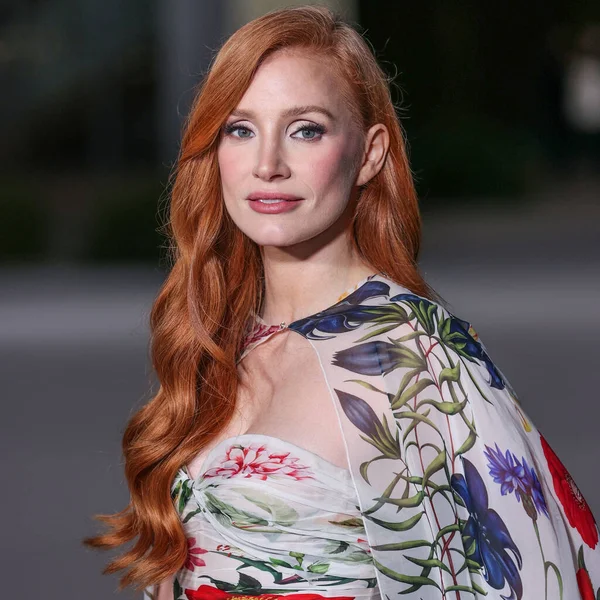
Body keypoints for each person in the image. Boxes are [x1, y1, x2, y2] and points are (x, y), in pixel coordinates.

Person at [85, 6, 600, 600]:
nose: (267, 165)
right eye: (240, 128)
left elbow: (544, 578)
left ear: (371, 153)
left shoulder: (414, 356)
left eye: (306, 129)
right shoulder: (222, 342)